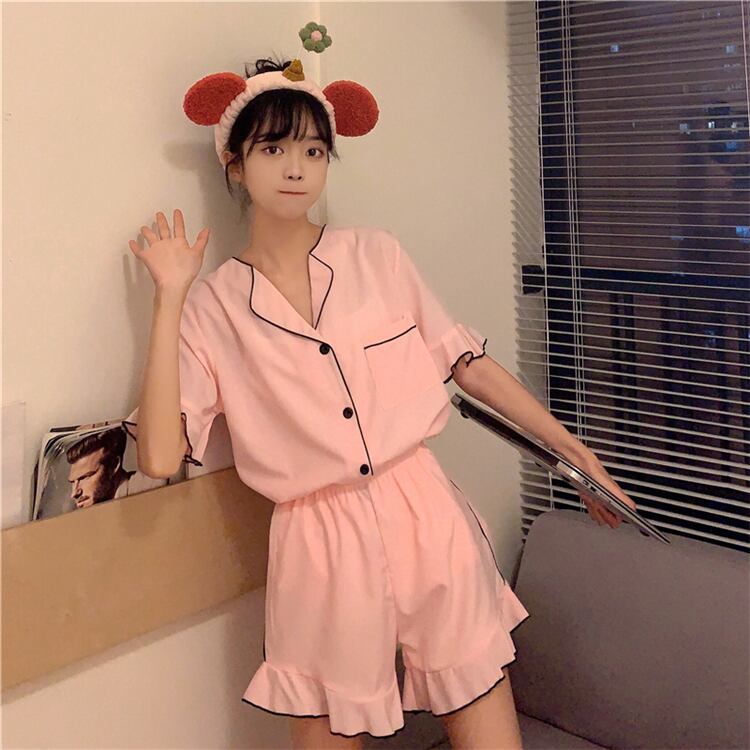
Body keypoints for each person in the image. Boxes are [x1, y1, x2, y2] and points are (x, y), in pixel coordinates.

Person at [125, 25, 634, 750]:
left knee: (484, 717)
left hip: (423, 509)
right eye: (273, 149)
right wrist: (170, 296)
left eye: (314, 151)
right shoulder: (214, 305)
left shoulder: (376, 256)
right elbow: (157, 456)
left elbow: (467, 363)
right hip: (318, 542)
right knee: (327, 728)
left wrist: (573, 451)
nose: (296, 168)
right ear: (234, 164)